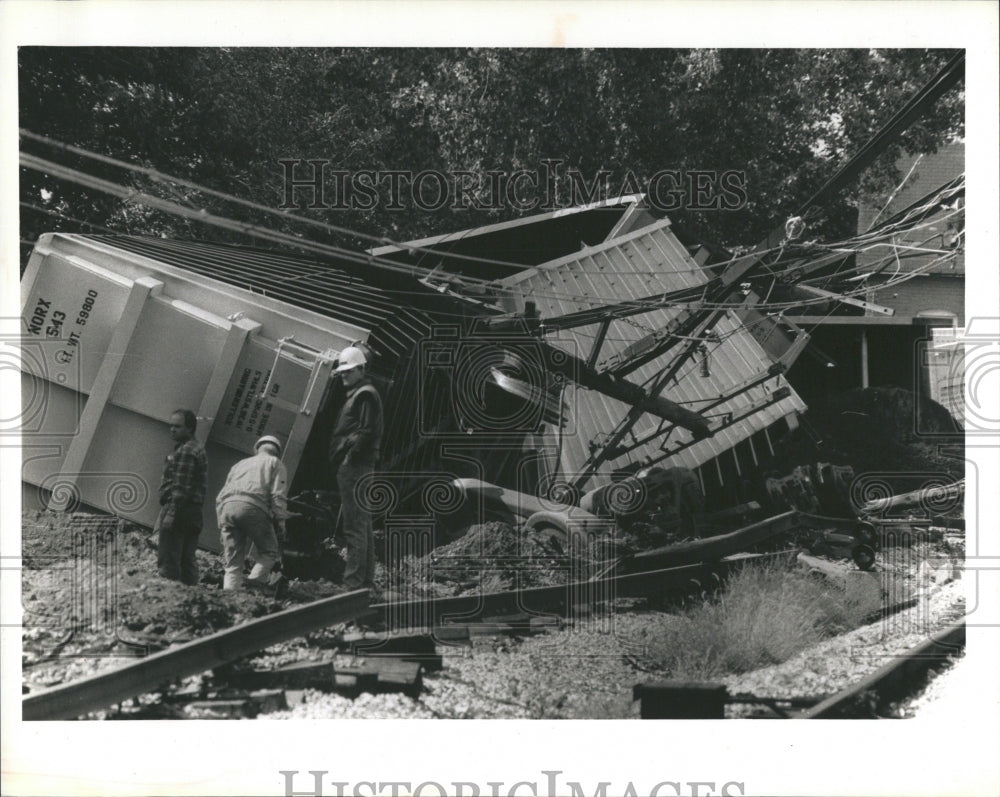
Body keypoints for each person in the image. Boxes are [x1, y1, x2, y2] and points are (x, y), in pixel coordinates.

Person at [328, 345, 383, 591]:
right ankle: (366, 582)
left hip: (356, 467)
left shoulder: (364, 394)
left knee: (354, 527)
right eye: (342, 372)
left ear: (361, 369)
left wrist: (349, 457)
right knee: (363, 525)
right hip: (358, 466)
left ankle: (353, 584)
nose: (344, 375)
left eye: (349, 372)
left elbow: (367, 431)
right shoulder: (361, 393)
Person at [216, 435, 290, 594]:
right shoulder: (276, 464)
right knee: (270, 552)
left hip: (228, 508)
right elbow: (278, 496)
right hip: (254, 507)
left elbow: (220, 496)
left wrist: (221, 523)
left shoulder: (239, 464)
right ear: (277, 452)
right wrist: (281, 522)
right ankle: (251, 588)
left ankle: (229, 596)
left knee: (233, 563)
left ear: (257, 448)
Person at [156, 409, 208, 585]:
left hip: (180, 510)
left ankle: (168, 597)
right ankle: (191, 596)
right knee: (187, 560)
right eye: (171, 425)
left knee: (168, 558)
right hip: (193, 511)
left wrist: (171, 514)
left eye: (177, 426)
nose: (172, 429)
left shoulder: (186, 451)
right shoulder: (196, 448)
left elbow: (181, 487)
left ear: (190, 428)